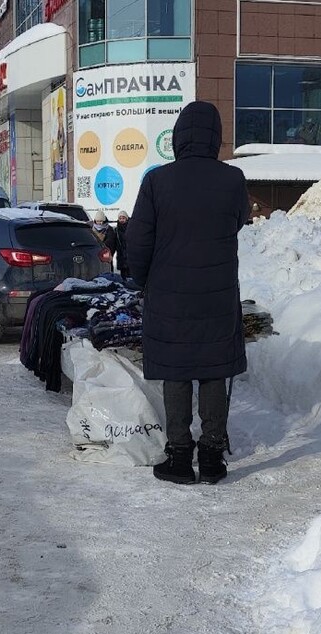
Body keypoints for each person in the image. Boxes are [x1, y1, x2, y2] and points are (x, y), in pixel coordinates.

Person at [126, 101, 250, 485]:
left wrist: (144, 281)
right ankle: (212, 457)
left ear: (178, 137)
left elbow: (138, 241)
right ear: (215, 137)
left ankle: (179, 456)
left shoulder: (157, 181)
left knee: (176, 372)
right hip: (217, 294)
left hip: (169, 295)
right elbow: (239, 221)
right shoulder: (233, 179)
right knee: (214, 371)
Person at [114, 211, 130, 275]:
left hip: (129, 252)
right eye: (120, 218)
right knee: (123, 272)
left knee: (130, 271)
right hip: (121, 253)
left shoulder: (131, 227)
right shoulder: (117, 229)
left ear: (126, 218)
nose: (121, 220)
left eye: (123, 218)